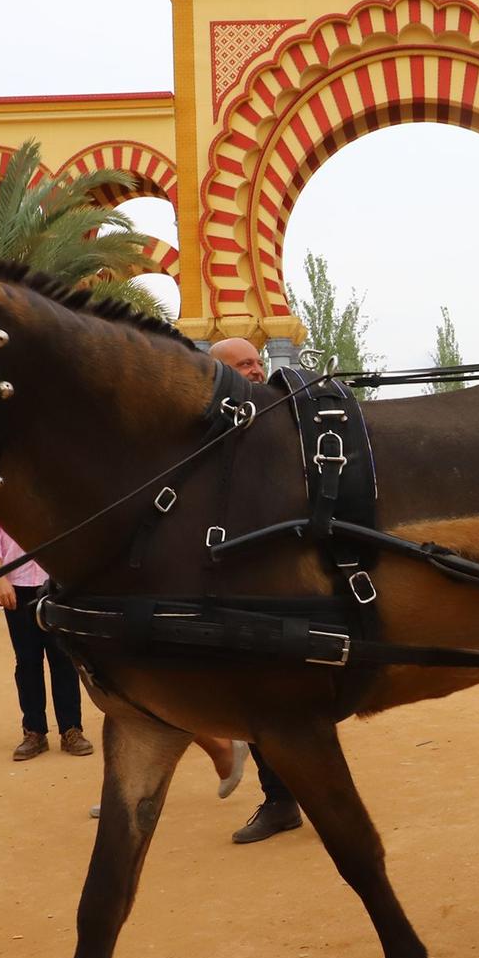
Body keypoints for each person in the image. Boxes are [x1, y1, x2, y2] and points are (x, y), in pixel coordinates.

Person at [208, 337, 308, 844]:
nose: (254, 370)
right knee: (256, 693)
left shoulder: (290, 414)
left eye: (256, 362)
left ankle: (311, 796)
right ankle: (281, 800)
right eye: (242, 364)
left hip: (296, 574)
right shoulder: (207, 433)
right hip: (240, 581)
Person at [0, 512, 93, 761]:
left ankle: (71, 728)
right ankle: (34, 732)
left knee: (64, 658)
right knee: (27, 661)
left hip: (58, 582)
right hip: (16, 585)